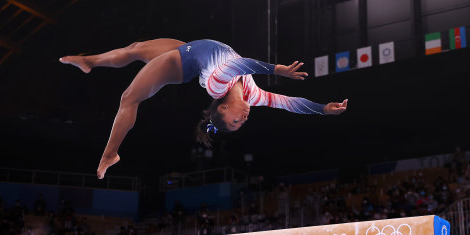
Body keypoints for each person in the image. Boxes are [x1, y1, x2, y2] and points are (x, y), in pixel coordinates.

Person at [61, 39, 348, 178]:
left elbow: (239, 64)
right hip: (191, 49)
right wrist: (322, 109)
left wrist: (276, 70)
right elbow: (290, 104)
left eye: (235, 122)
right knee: (135, 48)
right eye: (241, 123)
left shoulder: (216, 85)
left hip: (179, 63)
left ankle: (110, 154)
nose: (243, 119)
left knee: (128, 98)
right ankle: (91, 61)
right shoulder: (251, 93)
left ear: (222, 108)